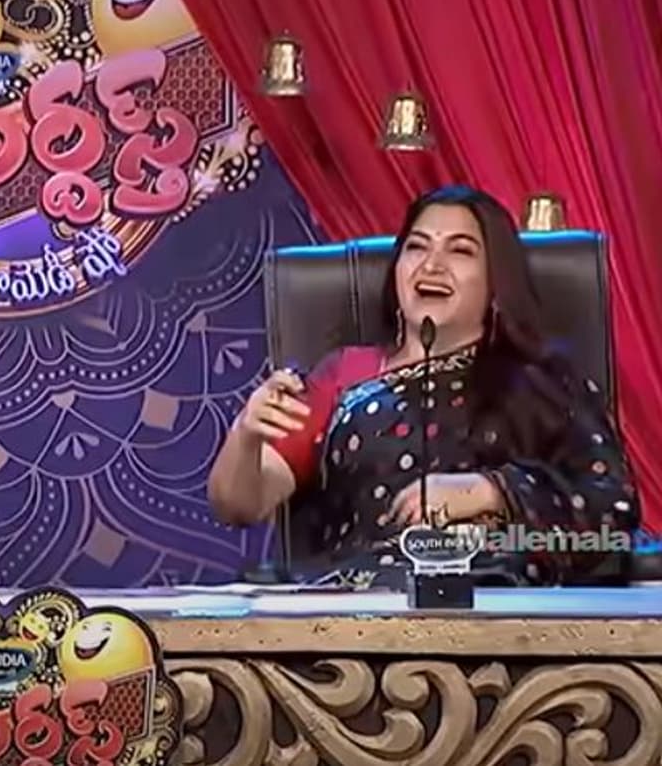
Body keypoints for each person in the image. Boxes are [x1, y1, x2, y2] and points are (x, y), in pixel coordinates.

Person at [208, 185, 639, 587]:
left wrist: (491, 491)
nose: (431, 265)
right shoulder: (345, 374)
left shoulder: (545, 384)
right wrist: (246, 435)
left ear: (496, 282)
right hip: (362, 608)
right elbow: (239, 505)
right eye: (416, 247)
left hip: (504, 608)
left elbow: (611, 514)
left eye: (460, 250)